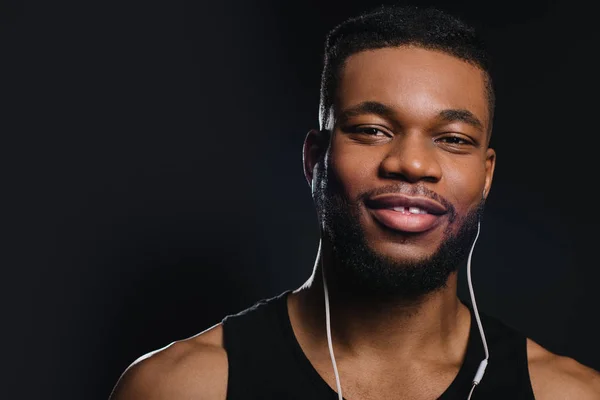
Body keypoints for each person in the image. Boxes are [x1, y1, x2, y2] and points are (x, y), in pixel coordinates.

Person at [109, 5, 600, 399]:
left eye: (452, 139)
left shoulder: (567, 394)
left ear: (486, 175)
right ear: (315, 158)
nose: (411, 163)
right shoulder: (185, 388)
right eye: (372, 130)